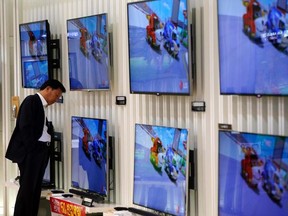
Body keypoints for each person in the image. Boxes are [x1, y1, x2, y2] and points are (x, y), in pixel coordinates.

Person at [5, 79, 66, 216]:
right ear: (48, 89)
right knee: (27, 191)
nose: (55, 99)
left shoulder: (40, 105)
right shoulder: (32, 101)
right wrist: (33, 150)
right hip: (32, 154)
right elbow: (25, 128)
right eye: (56, 95)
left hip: (40, 152)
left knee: (34, 191)